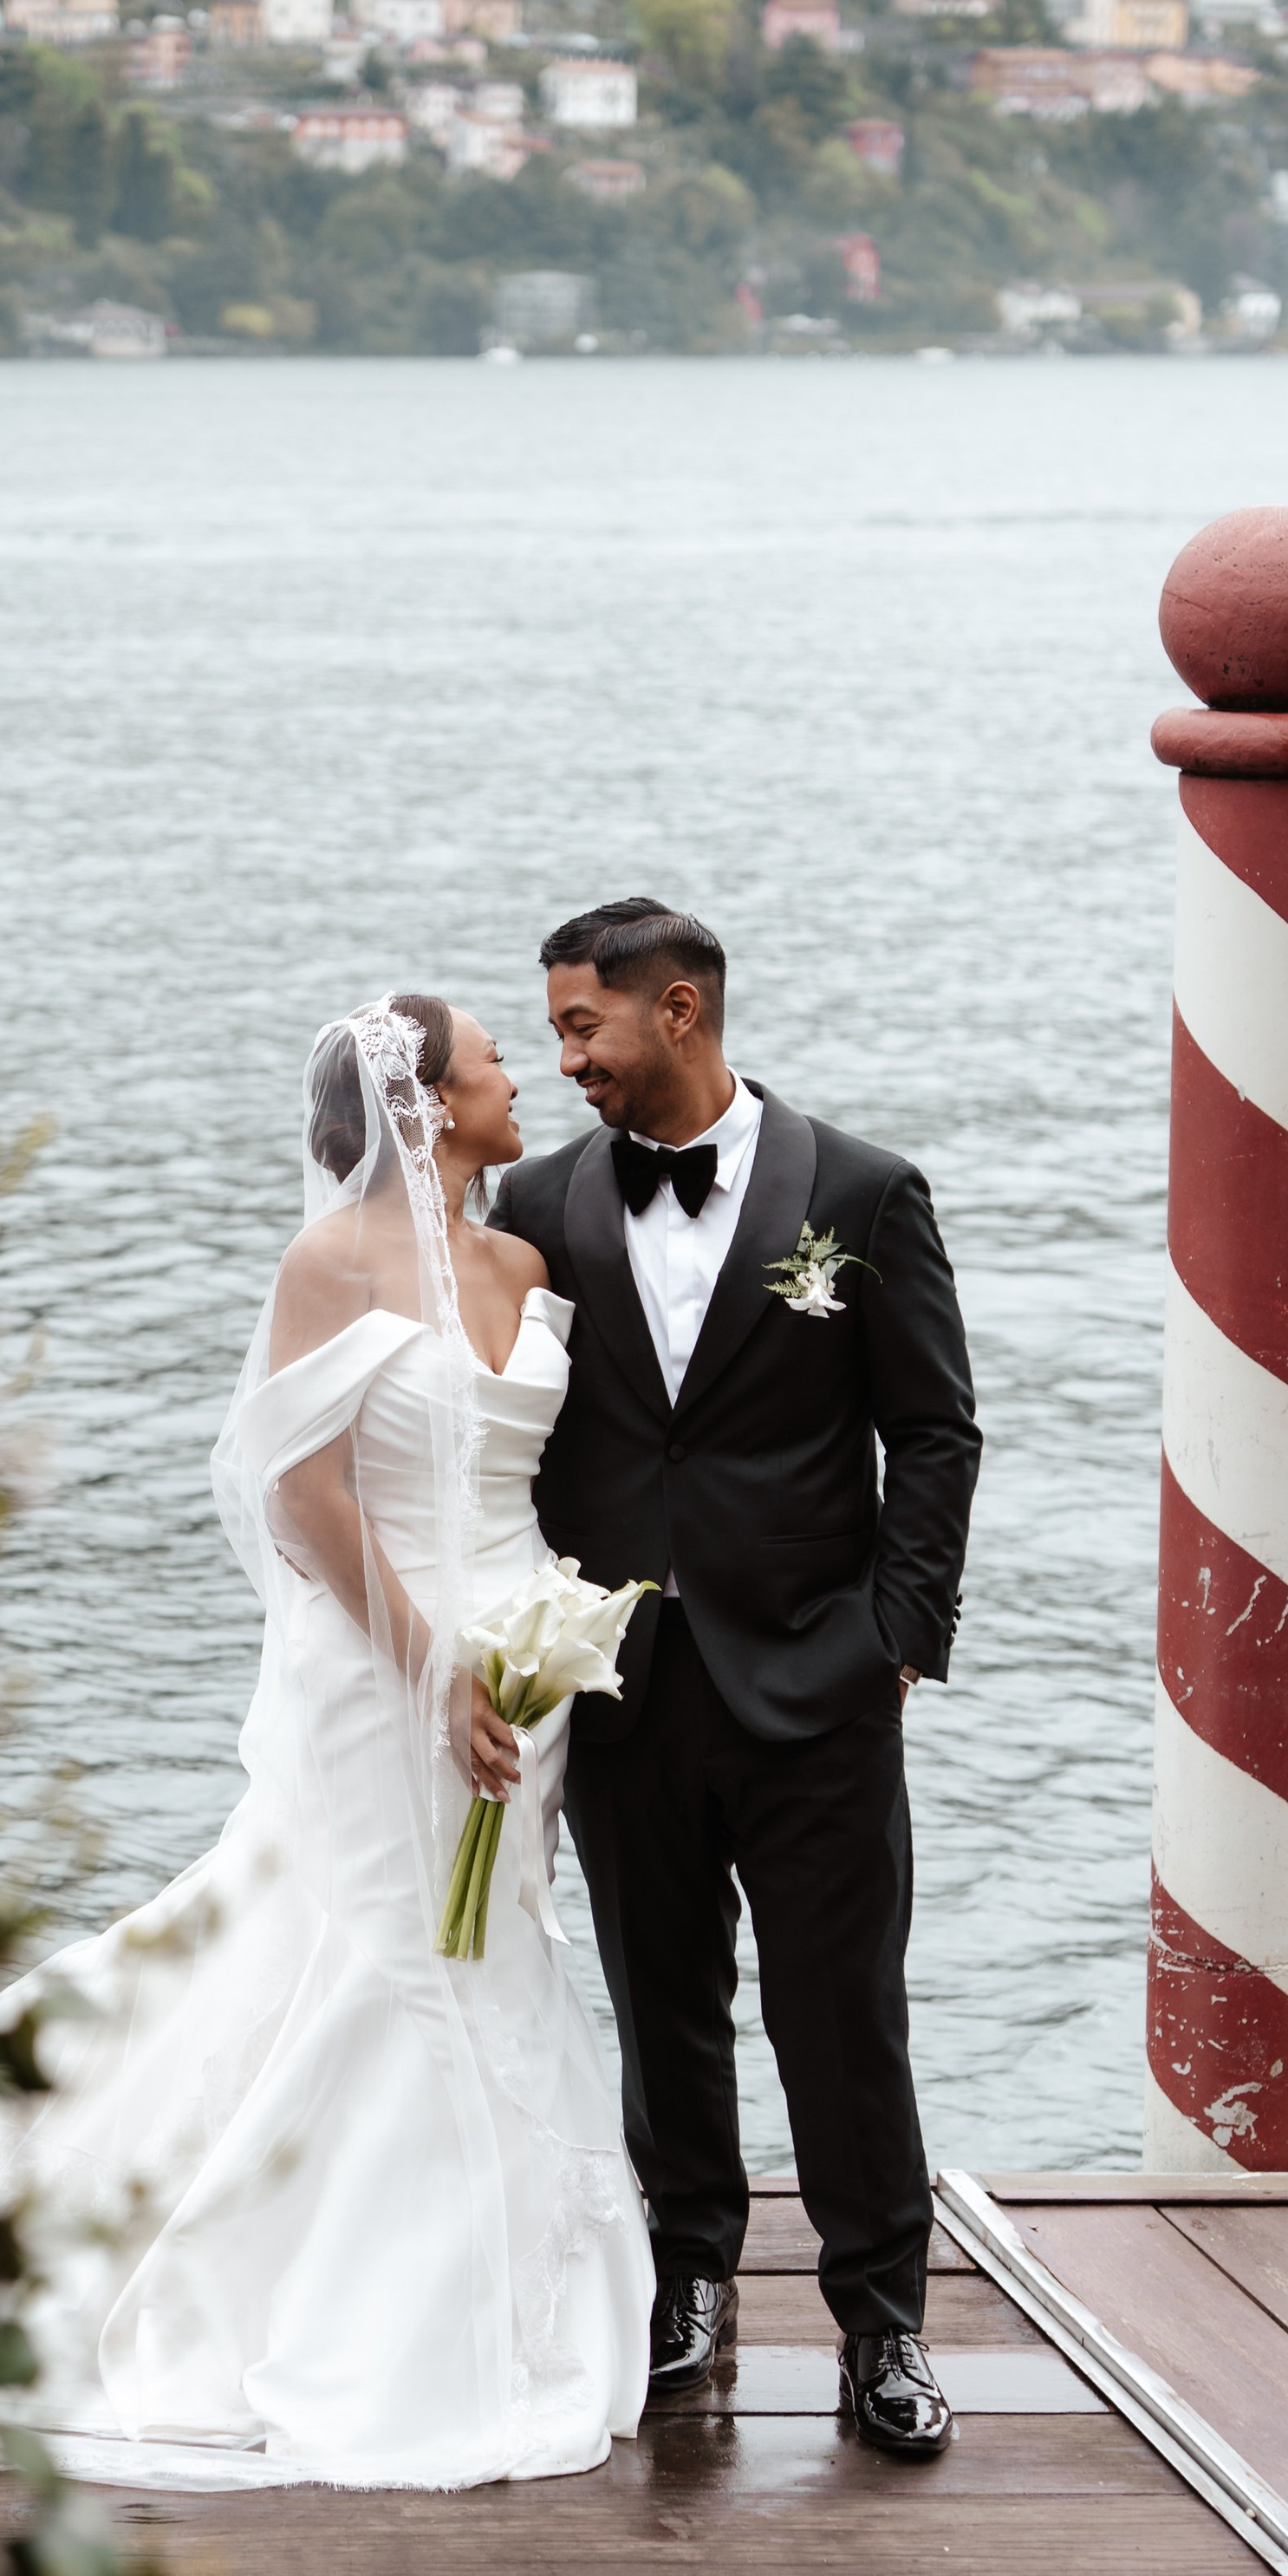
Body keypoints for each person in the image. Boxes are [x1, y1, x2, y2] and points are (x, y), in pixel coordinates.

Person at [0, 995, 654, 2488]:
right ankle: (354, 2296)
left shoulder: (524, 1258)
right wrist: (436, 1666)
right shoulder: (332, 1263)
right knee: (387, 1947)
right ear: (433, 1103)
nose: (522, 1075)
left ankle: (499, 2275)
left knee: (494, 1941)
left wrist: (535, 1648)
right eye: (497, 1059)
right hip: (382, 1656)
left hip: (527, 1651)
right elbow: (304, 1492)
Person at [490, 899, 982, 2461]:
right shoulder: (538, 1203)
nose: (567, 1058)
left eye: (585, 1027)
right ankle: (690, 2280)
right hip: (627, 1684)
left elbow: (938, 1434)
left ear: (681, 1012)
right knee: (664, 2003)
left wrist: (897, 1636)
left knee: (842, 2013)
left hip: (820, 1680)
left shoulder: (861, 1191)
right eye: (556, 1030)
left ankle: (883, 2324)